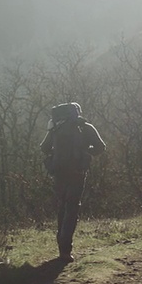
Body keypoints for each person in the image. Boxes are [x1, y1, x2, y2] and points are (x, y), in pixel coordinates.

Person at [40, 102, 106, 262]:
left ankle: (62, 249)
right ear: (77, 113)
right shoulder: (85, 127)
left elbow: (44, 148)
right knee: (72, 208)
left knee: (62, 207)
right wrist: (85, 151)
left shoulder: (56, 127)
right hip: (77, 172)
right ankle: (65, 249)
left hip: (58, 172)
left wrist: (57, 154)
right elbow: (100, 147)